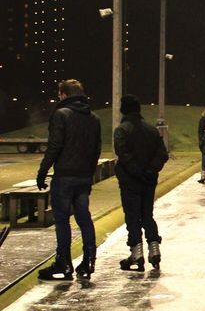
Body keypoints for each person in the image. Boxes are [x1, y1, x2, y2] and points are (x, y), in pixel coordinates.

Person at [36, 79, 102, 281]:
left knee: (62, 220)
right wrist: (89, 173)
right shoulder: (94, 118)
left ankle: (63, 263)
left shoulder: (61, 115)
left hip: (64, 176)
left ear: (64, 94)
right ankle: (89, 259)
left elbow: (55, 146)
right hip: (83, 177)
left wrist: (42, 171)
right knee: (84, 218)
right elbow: (96, 150)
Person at [114, 94, 169, 271]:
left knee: (132, 216)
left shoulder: (122, 130)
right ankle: (154, 249)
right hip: (149, 181)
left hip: (130, 181)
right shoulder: (151, 130)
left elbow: (124, 155)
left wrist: (137, 172)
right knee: (147, 215)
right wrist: (150, 170)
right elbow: (162, 154)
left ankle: (136, 254)